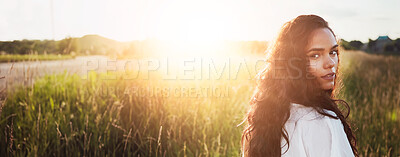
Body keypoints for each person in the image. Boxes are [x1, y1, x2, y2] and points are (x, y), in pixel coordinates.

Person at [240, 15, 358, 157]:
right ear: (292, 63)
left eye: (333, 52)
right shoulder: (324, 122)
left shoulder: (263, 121)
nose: (331, 63)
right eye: (315, 55)